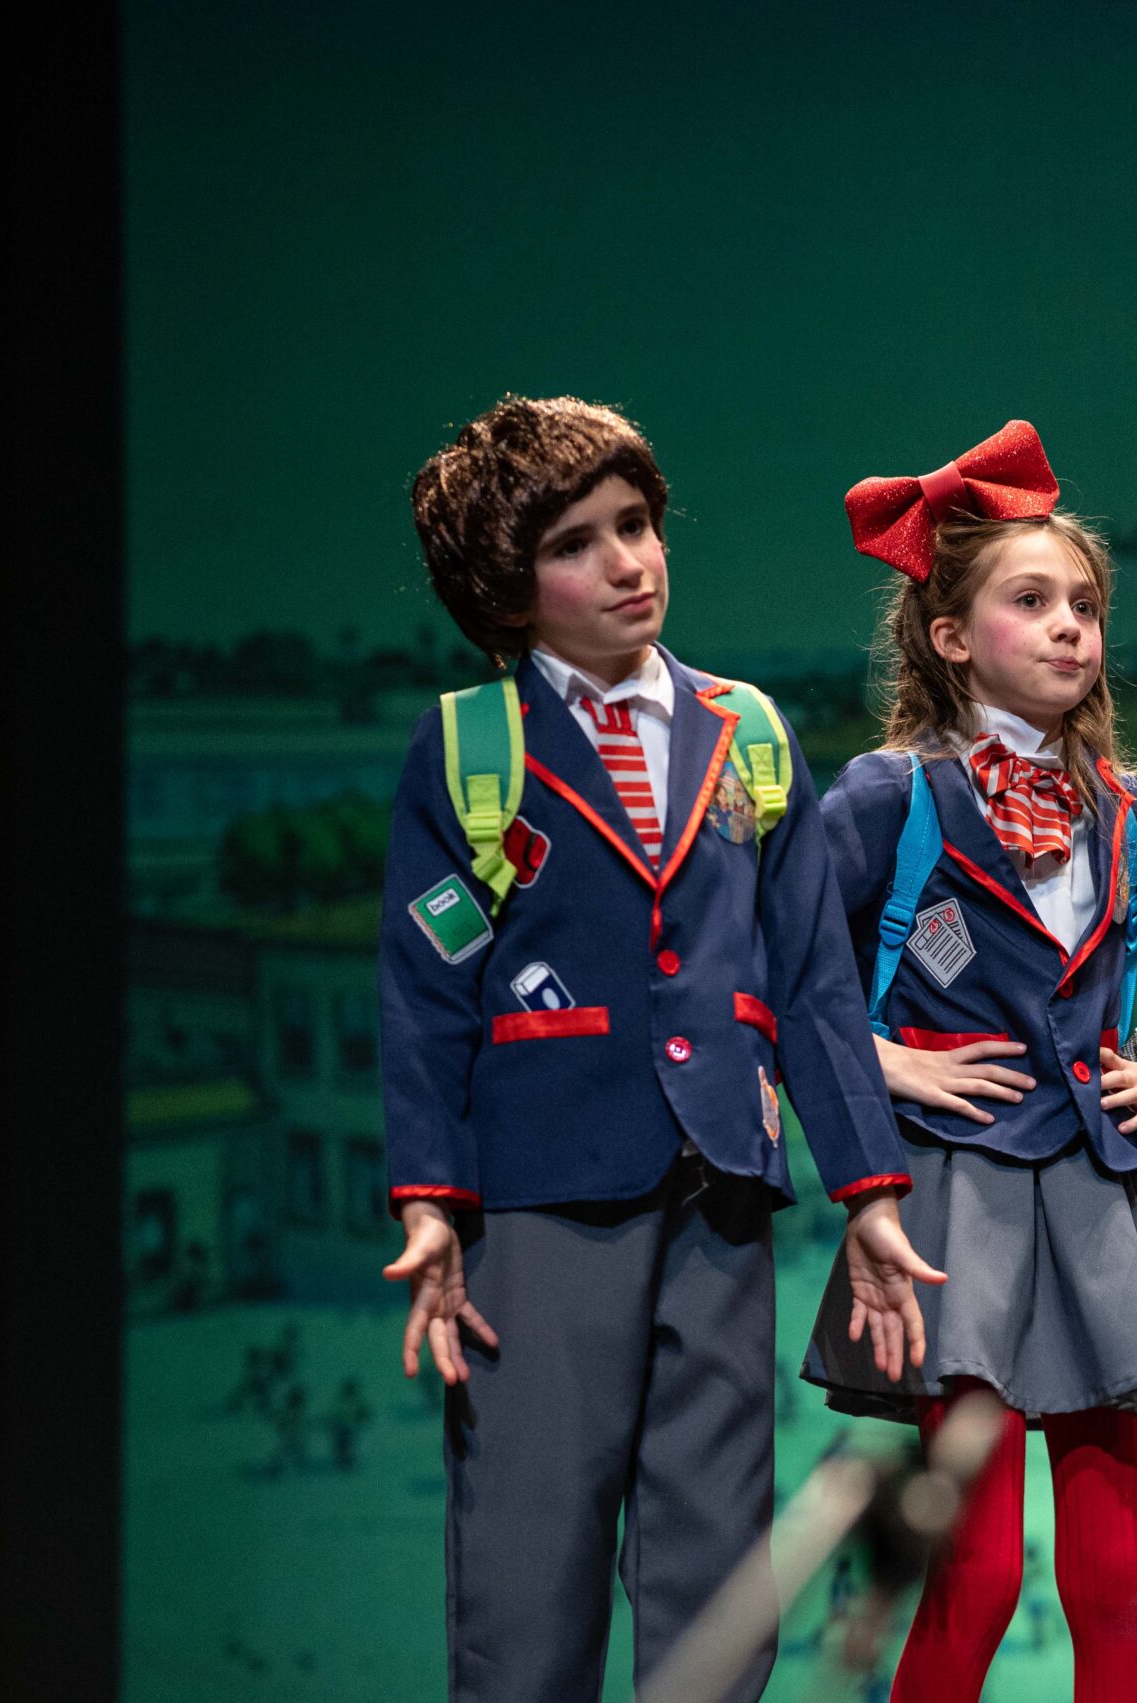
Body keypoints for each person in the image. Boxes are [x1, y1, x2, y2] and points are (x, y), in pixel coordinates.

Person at [378, 395, 940, 1701]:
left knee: (716, 1551)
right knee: (530, 1554)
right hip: (539, 1194)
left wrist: (870, 1187)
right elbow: (424, 991)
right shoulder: (472, 745)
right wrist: (428, 1198)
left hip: (720, 1188)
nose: (627, 561)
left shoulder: (749, 730)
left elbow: (814, 983)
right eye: (575, 543)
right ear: (506, 588)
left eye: (636, 523)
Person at [800, 420, 1137, 1703]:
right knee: (981, 1574)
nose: (1069, 626)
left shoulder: (1122, 810)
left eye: (1085, 605)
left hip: (1099, 1202)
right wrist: (875, 1062)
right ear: (950, 635)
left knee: (1114, 1582)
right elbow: (765, 968)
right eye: (1032, 600)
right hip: (959, 1210)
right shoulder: (888, 794)